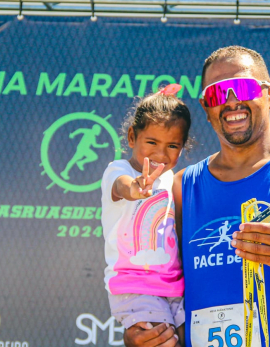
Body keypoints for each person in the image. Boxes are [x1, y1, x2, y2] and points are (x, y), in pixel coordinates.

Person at [123, 46, 270, 347]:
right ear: (206, 110)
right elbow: (158, 278)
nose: (231, 102)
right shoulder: (182, 187)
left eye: (242, 87)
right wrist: (142, 327)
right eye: (217, 95)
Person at [101, 86, 191, 347]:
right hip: (135, 287)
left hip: (174, 286)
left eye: (172, 145)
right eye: (151, 142)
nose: (160, 154)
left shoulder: (172, 179)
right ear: (132, 137)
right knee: (163, 342)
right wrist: (135, 188)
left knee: (187, 340)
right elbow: (122, 186)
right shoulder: (116, 170)